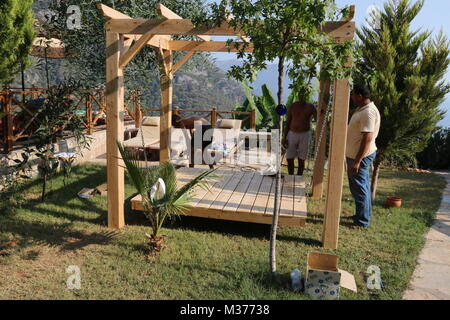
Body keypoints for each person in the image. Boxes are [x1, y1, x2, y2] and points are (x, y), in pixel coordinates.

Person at [346, 84, 381, 228]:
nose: (352, 96)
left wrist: (357, 161)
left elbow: (367, 137)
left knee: (360, 188)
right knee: (361, 187)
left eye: (353, 94)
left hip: (359, 156)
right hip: (355, 155)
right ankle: (361, 215)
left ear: (360, 96)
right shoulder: (363, 109)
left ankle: (362, 221)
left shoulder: (368, 112)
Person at [283, 101, 317, 175]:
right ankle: (291, 176)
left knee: (302, 159)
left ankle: (299, 177)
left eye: (303, 91)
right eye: (300, 91)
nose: (302, 94)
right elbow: (288, 121)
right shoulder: (293, 105)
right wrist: (284, 137)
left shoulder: (311, 106)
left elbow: (318, 119)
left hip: (305, 135)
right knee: (289, 158)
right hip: (292, 134)